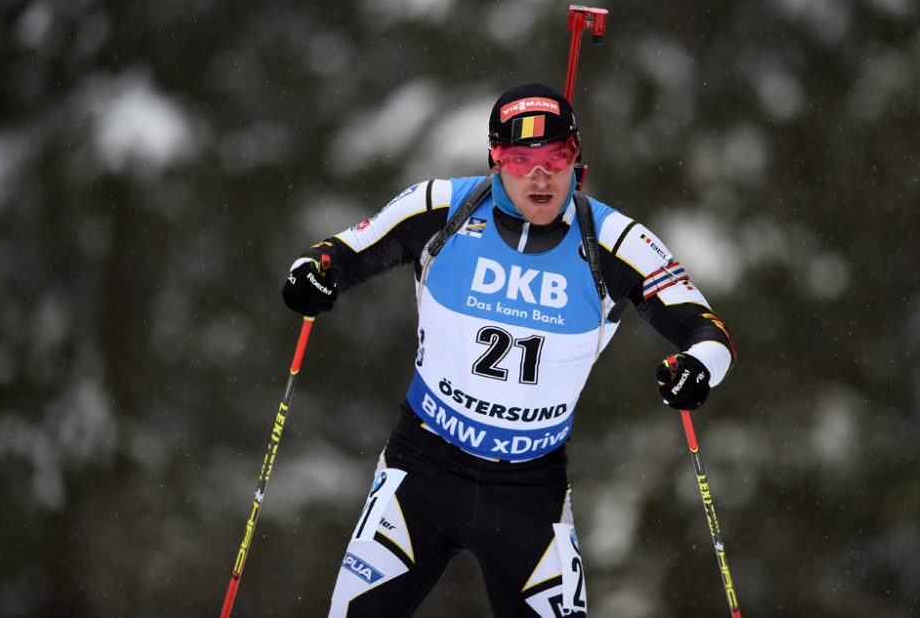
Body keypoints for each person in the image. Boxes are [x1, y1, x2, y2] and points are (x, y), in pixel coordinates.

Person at [282, 83, 737, 617]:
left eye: (556, 157)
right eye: (520, 160)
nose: (540, 176)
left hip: (528, 489)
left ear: (577, 158)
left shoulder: (614, 241)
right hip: (423, 469)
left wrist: (695, 370)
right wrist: (313, 275)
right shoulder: (441, 208)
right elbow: (340, 253)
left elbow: (709, 333)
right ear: (495, 161)